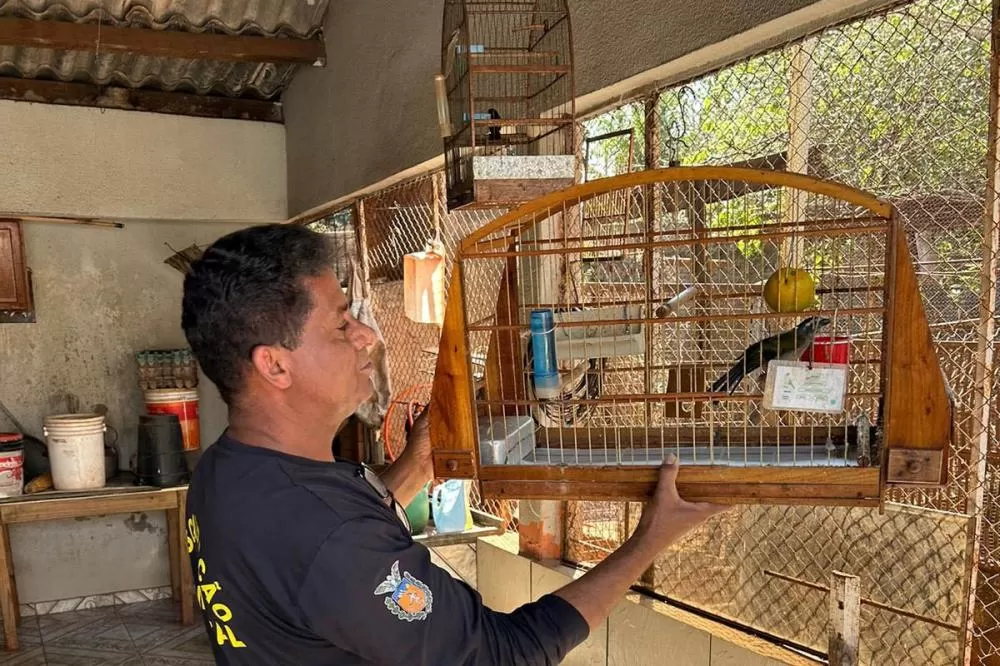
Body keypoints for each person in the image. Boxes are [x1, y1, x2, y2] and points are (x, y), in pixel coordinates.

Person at [181, 224, 727, 665]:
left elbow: (313, 557)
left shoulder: (222, 474)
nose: (366, 336)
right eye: (341, 324)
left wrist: (415, 469)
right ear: (274, 364)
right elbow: (501, 655)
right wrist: (646, 542)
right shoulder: (331, 537)